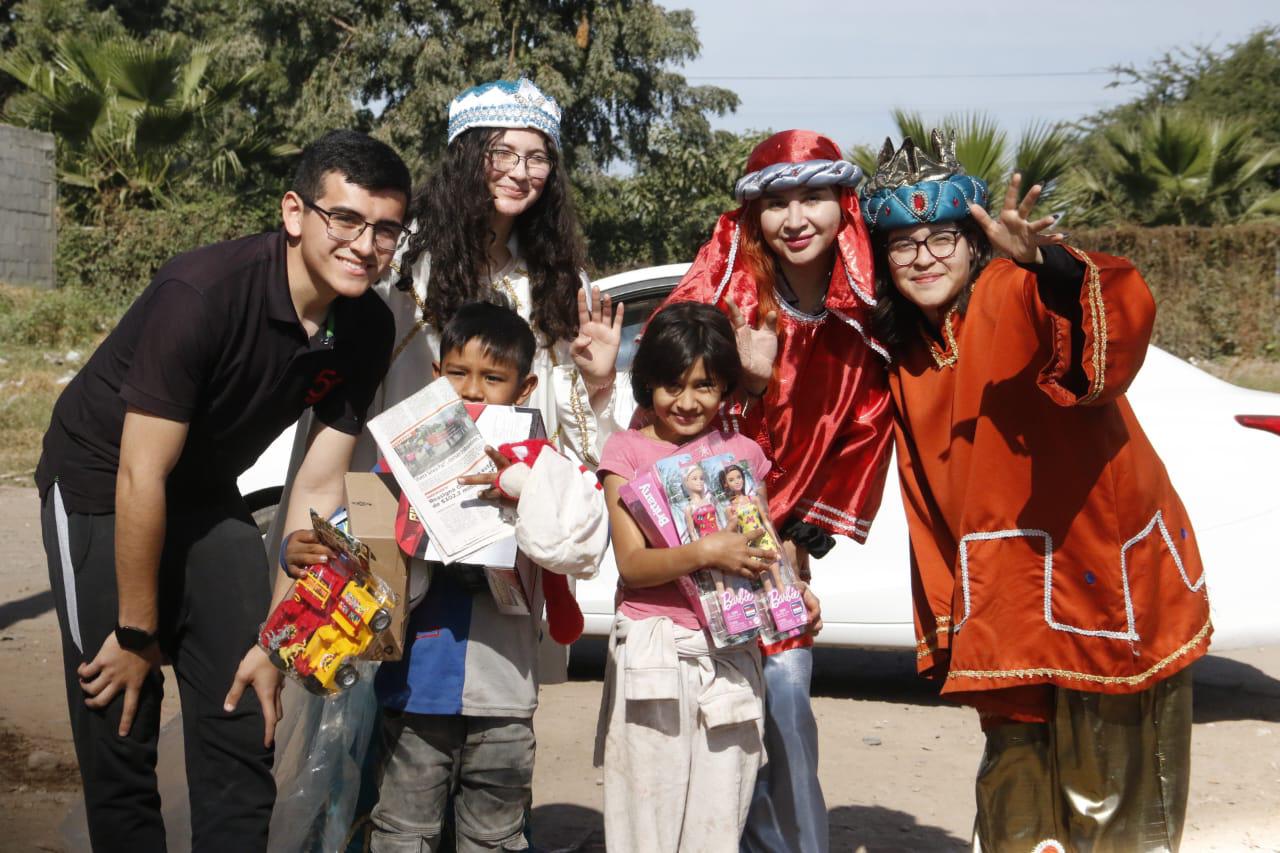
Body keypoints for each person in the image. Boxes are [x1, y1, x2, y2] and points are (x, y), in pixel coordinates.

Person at [35, 130, 411, 851]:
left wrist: (279, 639)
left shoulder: (367, 324)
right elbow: (140, 473)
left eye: (385, 228)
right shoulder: (202, 293)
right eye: (346, 219)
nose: (366, 245)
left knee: (247, 713)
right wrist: (138, 635)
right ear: (295, 212)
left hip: (206, 491)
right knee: (122, 715)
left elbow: (317, 484)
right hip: (100, 482)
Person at [861, 130, 1212, 851]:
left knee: (1111, 805)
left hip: (1096, 583)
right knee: (1014, 808)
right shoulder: (905, 353)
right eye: (903, 244)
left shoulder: (1013, 289)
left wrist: (1044, 262)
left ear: (973, 245)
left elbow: (1111, 311)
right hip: (1005, 605)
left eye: (941, 238)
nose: (923, 257)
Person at [284, 302, 608, 852]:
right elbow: (365, 536)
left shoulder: (548, 467)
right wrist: (308, 546)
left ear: (525, 387)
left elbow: (581, 543)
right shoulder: (402, 457)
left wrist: (523, 487)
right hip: (416, 687)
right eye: (458, 373)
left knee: (494, 835)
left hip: (504, 690)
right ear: (436, 376)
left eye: (493, 378)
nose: (473, 390)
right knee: (403, 829)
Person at [659, 129, 894, 853]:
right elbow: (672, 419)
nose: (795, 219)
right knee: (710, 724)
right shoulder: (724, 299)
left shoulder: (865, 312)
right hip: (699, 539)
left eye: (813, 197)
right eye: (776, 202)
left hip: (783, 550)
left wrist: (800, 541)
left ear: (842, 204)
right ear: (753, 214)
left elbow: (866, 425)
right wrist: (750, 384)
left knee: (786, 713)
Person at [595, 301, 822, 853]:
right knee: (646, 822)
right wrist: (704, 552)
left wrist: (795, 591)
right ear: (647, 383)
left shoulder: (743, 455)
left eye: (705, 386)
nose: (687, 402)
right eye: (672, 385)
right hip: (655, 652)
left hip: (732, 657)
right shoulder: (625, 452)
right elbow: (632, 566)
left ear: (726, 387)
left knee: (719, 823)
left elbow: (762, 550)